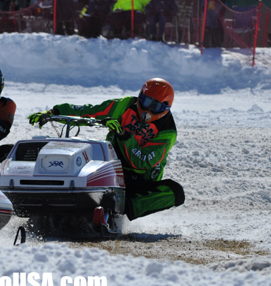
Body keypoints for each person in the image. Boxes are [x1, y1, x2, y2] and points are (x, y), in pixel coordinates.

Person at [28, 78, 184, 221]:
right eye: (145, 101)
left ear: (165, 108)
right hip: (112, 165)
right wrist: (55, 113)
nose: (148, 109)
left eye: (155, 106)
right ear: (139, 97)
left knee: (176, 192)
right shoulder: (126, 105)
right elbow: (92, 111)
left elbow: (142, 162)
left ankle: (120, 208)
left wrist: (123, 134)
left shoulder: (167, 131)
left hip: (139, 180)